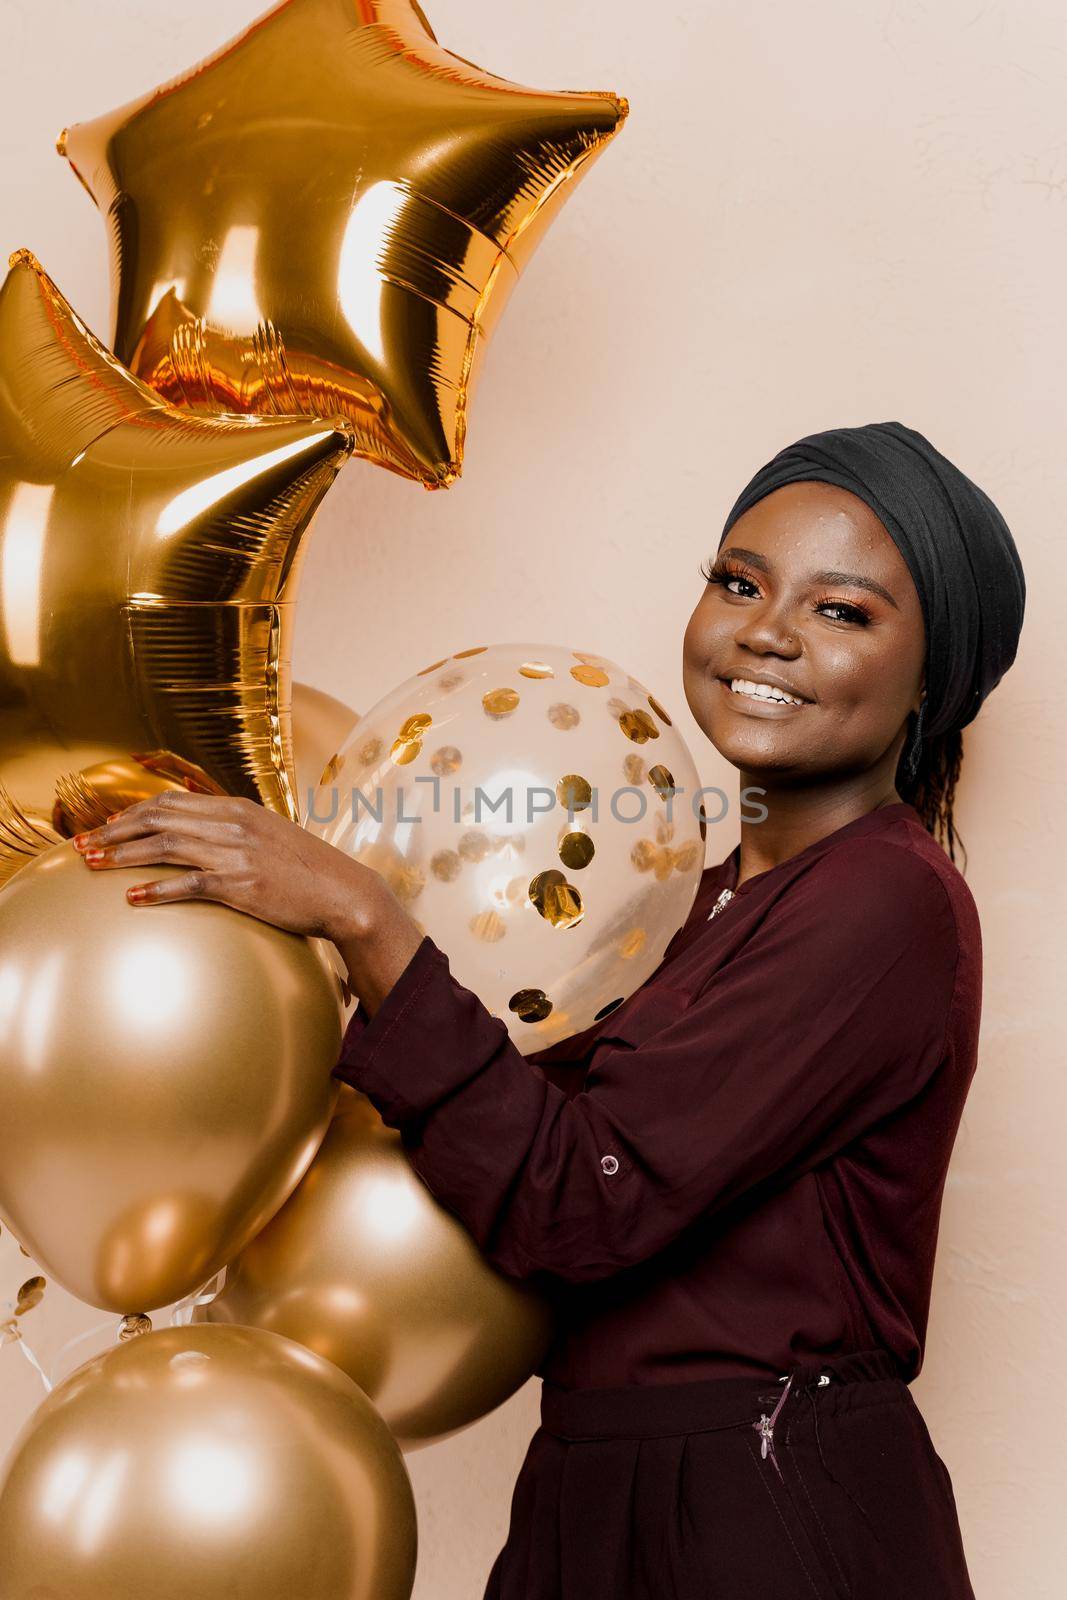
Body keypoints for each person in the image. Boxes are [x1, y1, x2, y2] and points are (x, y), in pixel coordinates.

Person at [72, 420, 1026, 1600]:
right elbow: (512, 1121)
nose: (764, 631)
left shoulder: (887, 902)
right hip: (593, 1482)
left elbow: (579, 1205)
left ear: (934, 674)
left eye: (842, 611)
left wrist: (367, 917)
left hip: (759, 1505)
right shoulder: (692, 889)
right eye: (736, 581)